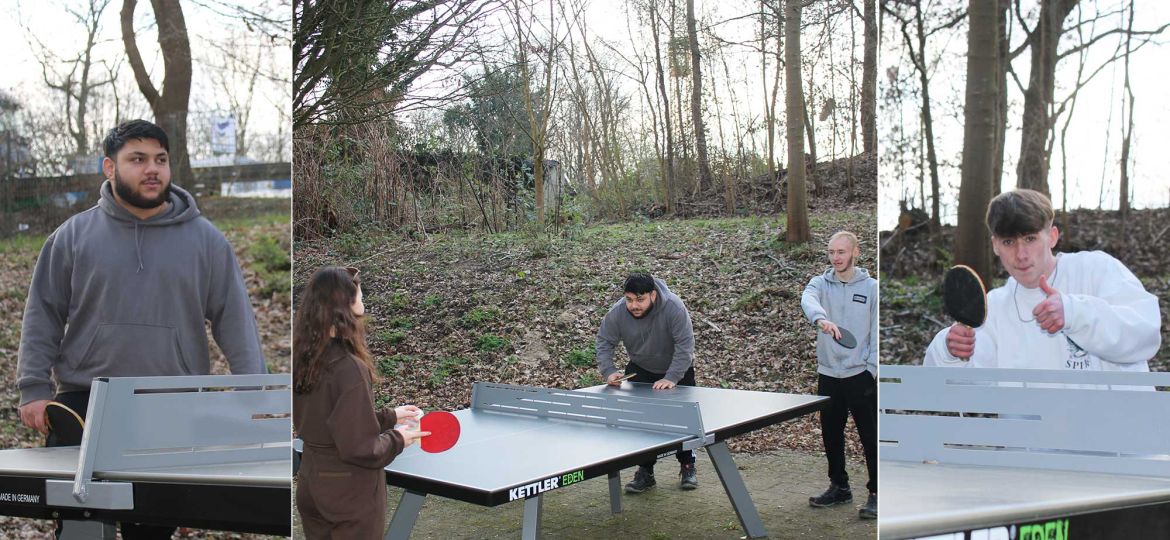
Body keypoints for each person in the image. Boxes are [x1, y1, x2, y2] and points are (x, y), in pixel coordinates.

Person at [16, 119, 266, 538]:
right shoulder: (73, 236)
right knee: (79, 530)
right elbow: (43, 312)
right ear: (109, 168)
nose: (152, 169)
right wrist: (33, 388)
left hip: (170, 407)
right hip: (84, 402)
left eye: (160, 160)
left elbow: (235, 319)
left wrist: (257, 392)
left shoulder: (206, 241)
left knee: (151, 529)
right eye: (138, 159)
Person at [923, 189, 1159, 374]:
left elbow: (1145, 335)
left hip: (1118, 432)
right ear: (995, 245)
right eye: (1008, 242)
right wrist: (949, 351)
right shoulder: (992, 308)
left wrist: (1075, 313)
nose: (1021, 254)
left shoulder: (1097, 270)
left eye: (1030, 238)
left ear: (1052, 236)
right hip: (1029, 437)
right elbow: (955, 387)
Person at [293, 266, 429, 539]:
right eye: (360, 299)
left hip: (312, 484)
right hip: (348, 495)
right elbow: (360, 448)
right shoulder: (349, 367)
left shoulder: (303, 355)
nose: (364, 305)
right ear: (345, 306)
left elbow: (333, 422)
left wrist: (391, 416)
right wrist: (399, 438)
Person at [596, 272, 698, 493]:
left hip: (677, 369)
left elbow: (685, 346)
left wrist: (671, 377)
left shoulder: (674, 308)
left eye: (640, 300)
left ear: (653, 295)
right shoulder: (617, 313)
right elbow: (604, 341)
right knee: (643, 425)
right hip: (641, 370)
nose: (634, 305)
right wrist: (609, 371)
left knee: (684, 422)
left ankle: (688, 465)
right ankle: (645, 472)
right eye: (629, 299)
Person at [801, 231, 878, 520]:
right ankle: (840, 486)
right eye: (831, 252)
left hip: (860, 375)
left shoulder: (872, 288)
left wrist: (871, 370)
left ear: (856, 252)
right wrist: (820, 318)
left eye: (841, 252)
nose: (835, 257)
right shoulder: (820, 283)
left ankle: (876, 493)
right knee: (832, 435)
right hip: (829, 374)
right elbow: (807, 299)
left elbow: (877, 333)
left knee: (870, 437)